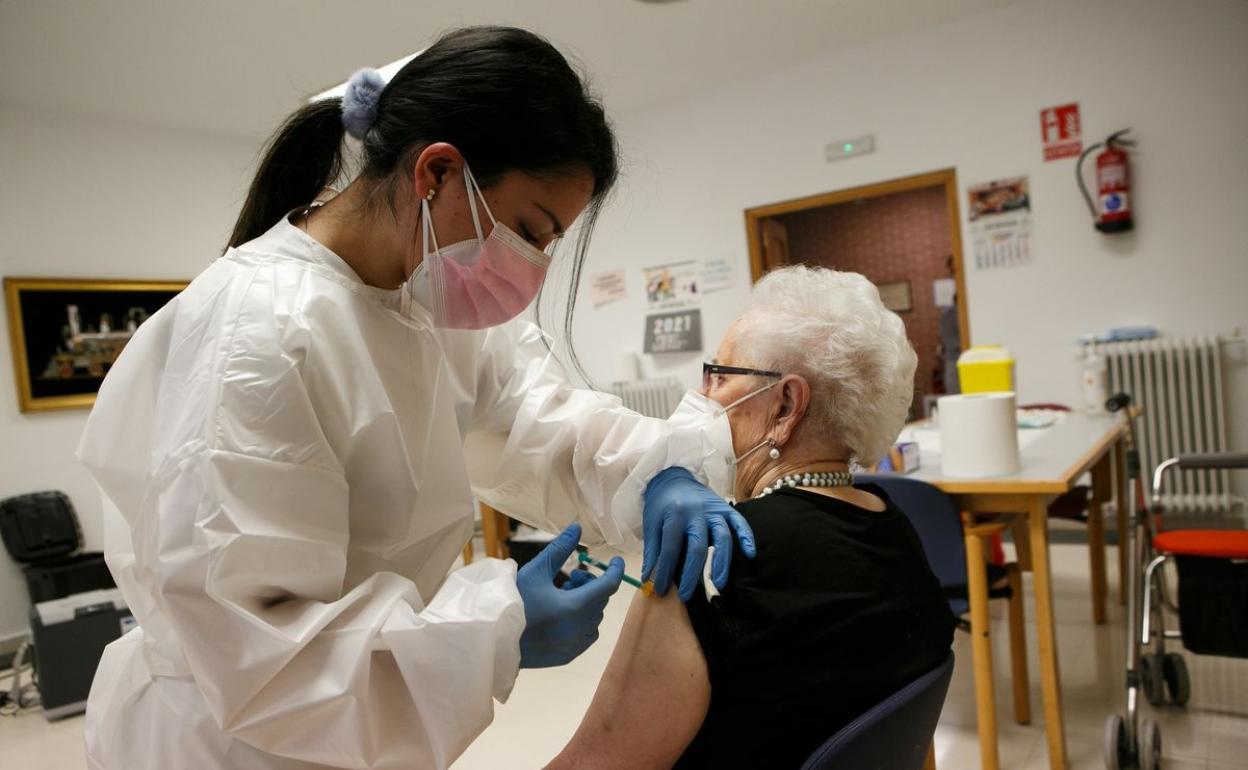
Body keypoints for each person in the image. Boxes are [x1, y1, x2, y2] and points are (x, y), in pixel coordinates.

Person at [77, 27, 754, 770]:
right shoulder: (261, 333)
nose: (531, 266)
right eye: (530, 230)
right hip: (234, 744)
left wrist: (654, 471)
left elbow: (534, 419)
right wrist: (495, 632)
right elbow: (258, 657)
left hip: (354, 732)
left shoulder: (423, 300)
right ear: (436, 172)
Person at [548, 266, 956, 769]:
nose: (702, 396)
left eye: (720, 375)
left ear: (786, 405)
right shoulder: (894, 527)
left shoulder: (710, 556)